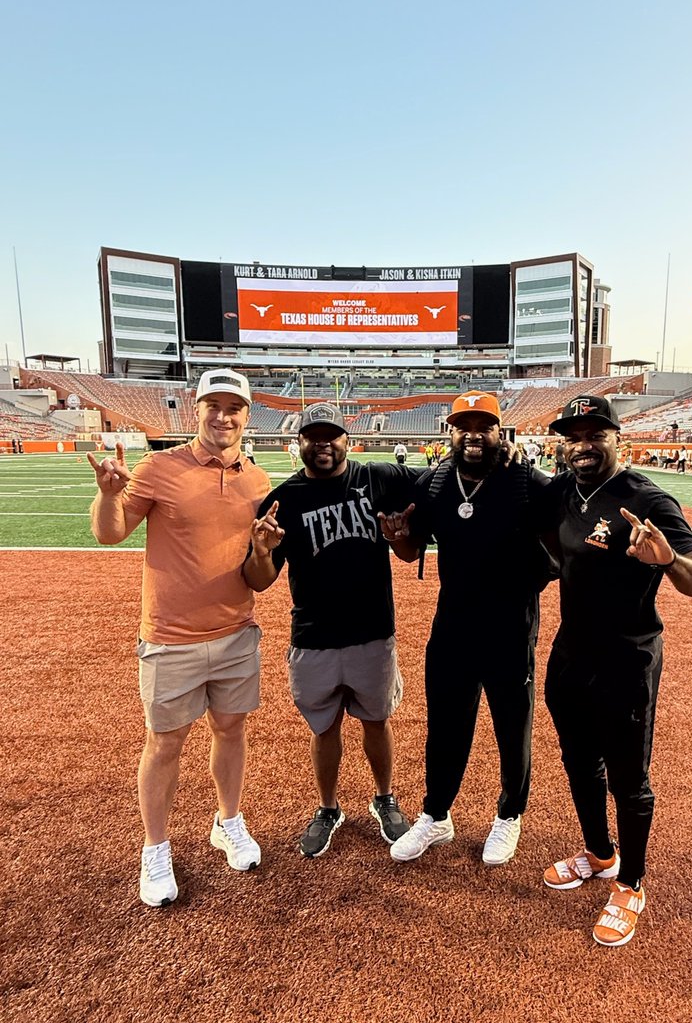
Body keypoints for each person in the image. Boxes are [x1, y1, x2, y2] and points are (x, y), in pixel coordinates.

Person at [538, 395, 692, 947]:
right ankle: (599, 854)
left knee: (628, 778)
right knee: (577, 761)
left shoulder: (647, 500)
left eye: (596, 435)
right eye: (574, 437)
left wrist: (668, 560)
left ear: (619, 440)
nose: (584, 446)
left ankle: (631, 884)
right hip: (570, 654)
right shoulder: (561, 492)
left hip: (626, 659)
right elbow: (551, 547)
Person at [87, 369, 271, 908]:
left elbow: (257, 566)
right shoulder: (160, 467)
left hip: (236, 632)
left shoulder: (257, 480)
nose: (223, 416)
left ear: (246, 415)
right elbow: (109, 533)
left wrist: (264, 553)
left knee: (230, 730)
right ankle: (156, 848)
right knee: (165, 743)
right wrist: (108, 496)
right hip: (171, 637)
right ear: (197, 410)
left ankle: (228, 821)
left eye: (233, 407)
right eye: (213, 405)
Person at [386, 391, 553, 867]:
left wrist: (530, 577)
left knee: (512, 727)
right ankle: (436, 815)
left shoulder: (527, 481)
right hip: (453, 625)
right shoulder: (435, 482)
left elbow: (559, 550)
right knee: (445, 726)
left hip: (510, 627)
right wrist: (398, 539)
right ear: (451, 433)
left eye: (484, 427)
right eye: (464, 427)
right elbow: (412, 549)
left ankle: (509, 814)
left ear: (500, 432)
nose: (473, 436)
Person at [243, 402, 415, 857]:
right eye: (313, 436)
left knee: (376, 720)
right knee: (324, 728)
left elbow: (434, 490)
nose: (323, 444)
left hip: (372, 630)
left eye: (331, 435)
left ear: (346, 439)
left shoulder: (378, 478)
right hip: (314, 634)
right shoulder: (283, 499)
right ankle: (328, 807)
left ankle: (384, 797)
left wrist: (400, 536)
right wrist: (261, 552)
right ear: (298, 442)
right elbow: (259, 581)